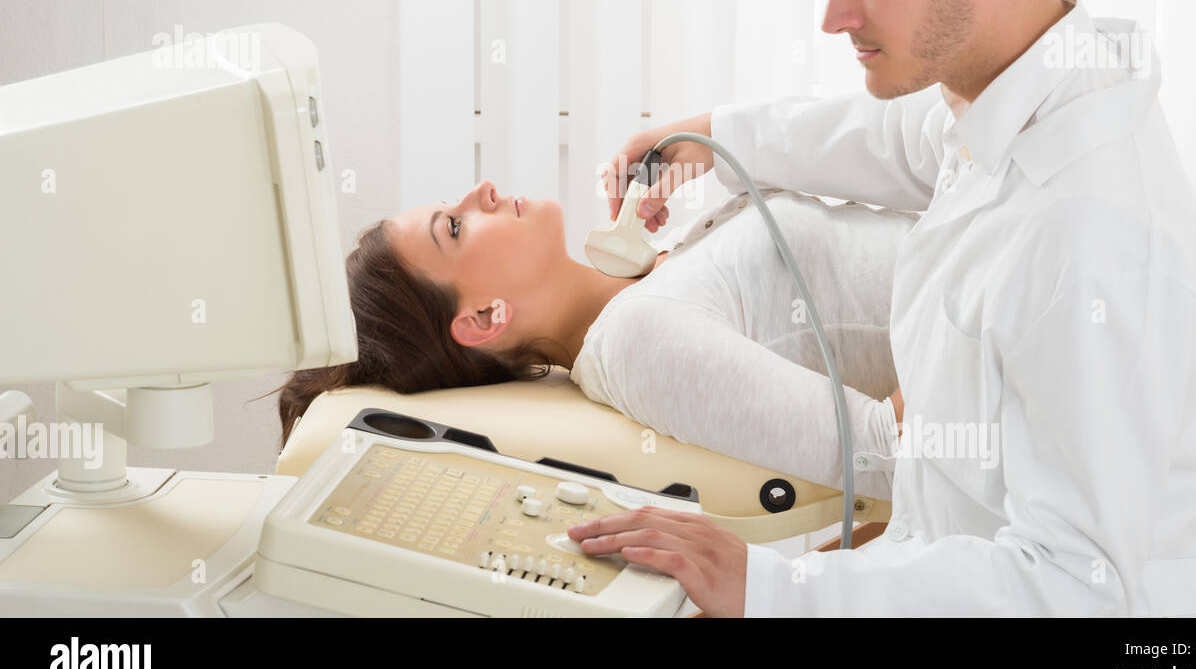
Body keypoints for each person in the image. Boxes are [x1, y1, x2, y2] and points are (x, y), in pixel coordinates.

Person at [567, 0, 1196, 618]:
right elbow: (893, 141)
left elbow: (1075, 585)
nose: (834, 16)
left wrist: (780, 588)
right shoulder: (1026, 90)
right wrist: (714, 134)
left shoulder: (1088, 232)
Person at [273, 178, 913, 499]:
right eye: (456, 226)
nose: (483, 192)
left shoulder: (650, 267)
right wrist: (994, 295)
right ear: (485, 319)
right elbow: (889, 452)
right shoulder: (638, 342)